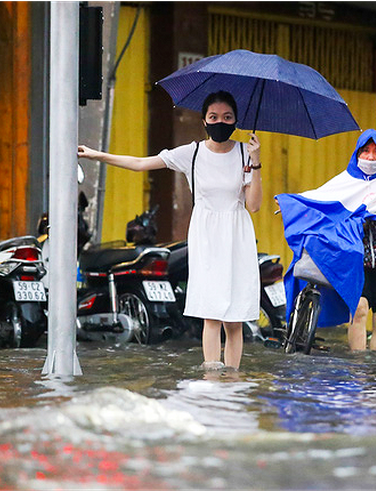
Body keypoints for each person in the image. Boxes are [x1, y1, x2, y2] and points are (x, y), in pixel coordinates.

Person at [77, 91, 262, 369]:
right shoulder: (193, 153)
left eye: (227, 117)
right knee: (211, 314)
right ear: (204, 121)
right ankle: (211, 379)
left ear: (236, 120)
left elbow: (254, 205)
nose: (220, 122)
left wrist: (256, 162)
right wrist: (95, 155)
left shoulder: (244, 153)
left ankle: (232, 380)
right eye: (213, 117)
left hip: (237, 233)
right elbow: (141, 164)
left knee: (233, 319)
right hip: (207, 235)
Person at [276, 129, 376, 351]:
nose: (370, 157)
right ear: (357, 154)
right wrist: (290, 205)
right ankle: (358, 371)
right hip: (355, 258)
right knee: (359, 310)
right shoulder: (344, 182)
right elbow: (318, 199)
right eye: (365, 151)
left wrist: (375, 216)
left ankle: (375, 371)